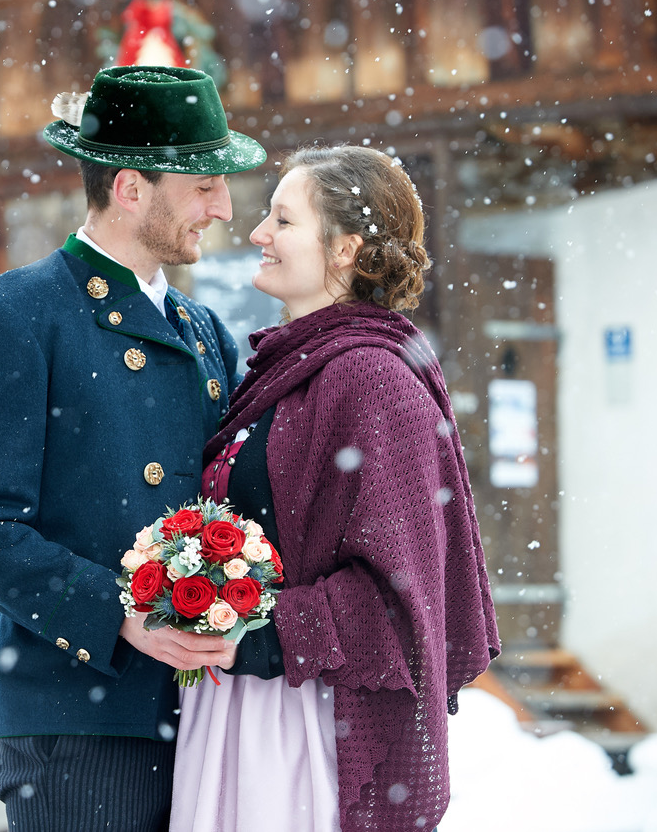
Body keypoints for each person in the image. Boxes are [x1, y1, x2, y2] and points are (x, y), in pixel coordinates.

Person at [0, 65, 266, 831]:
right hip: (76, 719)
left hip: (199, 713)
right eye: (204, 185)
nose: (222, 208)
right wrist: (118, 614)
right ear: (130, 189)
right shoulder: (13, 316)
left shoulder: (203, 330)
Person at [171, 144, 501, 832]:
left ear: (347, 248)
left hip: (303, 727)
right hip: (237, 709)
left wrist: (255, 633)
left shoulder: (372, 378)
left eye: (283, 220)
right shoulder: (285, 368)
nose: (257, 233)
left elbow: (399, 595)